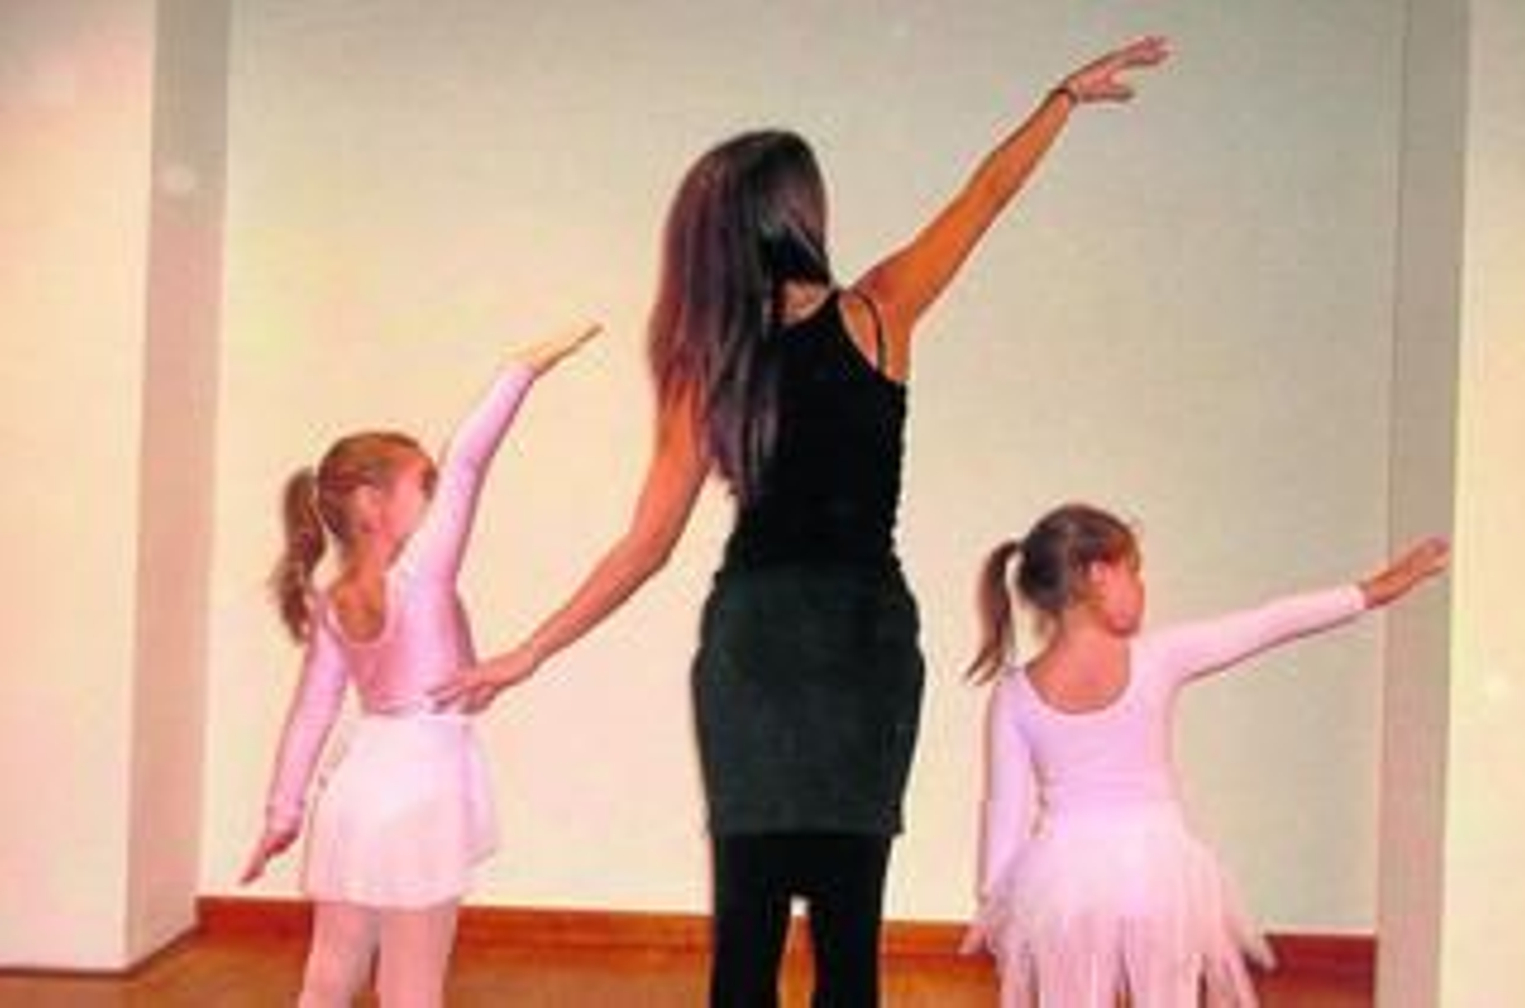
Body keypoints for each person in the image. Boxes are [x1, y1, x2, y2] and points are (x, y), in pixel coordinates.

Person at [431, 36, 1170, 1007]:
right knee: (829, 940)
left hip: (795, 645)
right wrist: (1059, 102)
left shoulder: (755, 348)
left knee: (771, 939)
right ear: (796, 217)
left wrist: (1059, 103)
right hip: (832, 644)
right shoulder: (862, 318)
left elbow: (646, 544)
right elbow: (981, 199)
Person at [962, 503, 1449, 1007]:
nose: (1143, 587)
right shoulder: (1157, 656)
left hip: (1064, 882)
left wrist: (1000, 908)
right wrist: (1373, 590)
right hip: (1158, 868)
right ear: (1098, 573)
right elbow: (1268, 623)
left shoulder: (1015, 693)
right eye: (1135, 571)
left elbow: (1004, 810)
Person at [239, 324, 598, 1008]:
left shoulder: (331, 600)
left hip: (356, 790)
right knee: (413, 986)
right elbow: (466, 462)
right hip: (421, 794)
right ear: (374, 506)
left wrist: (282, 813)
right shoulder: (420, 578)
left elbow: (311, 716)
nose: (437, 501)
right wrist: (521, 369)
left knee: (329, 974)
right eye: (422, 487)